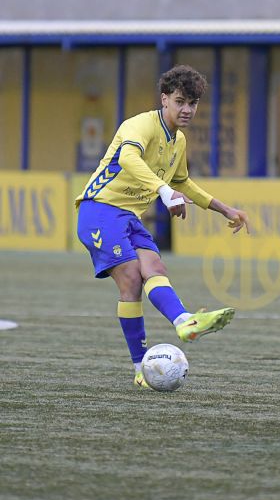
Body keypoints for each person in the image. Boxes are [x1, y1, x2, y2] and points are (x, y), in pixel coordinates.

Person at [75, 65, 250, 389]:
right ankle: (140, 367)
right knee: (131, 278)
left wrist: (224, 208)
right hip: (99, 210)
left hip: (129, 217)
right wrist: (164, 192)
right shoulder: (140, 125)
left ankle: (184, 322)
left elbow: (182, 181)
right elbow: (128, 159)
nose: (187, 110)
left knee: (154, 267)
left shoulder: (178, 140)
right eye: (180, 101)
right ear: (164, 98)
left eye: (193, 103)